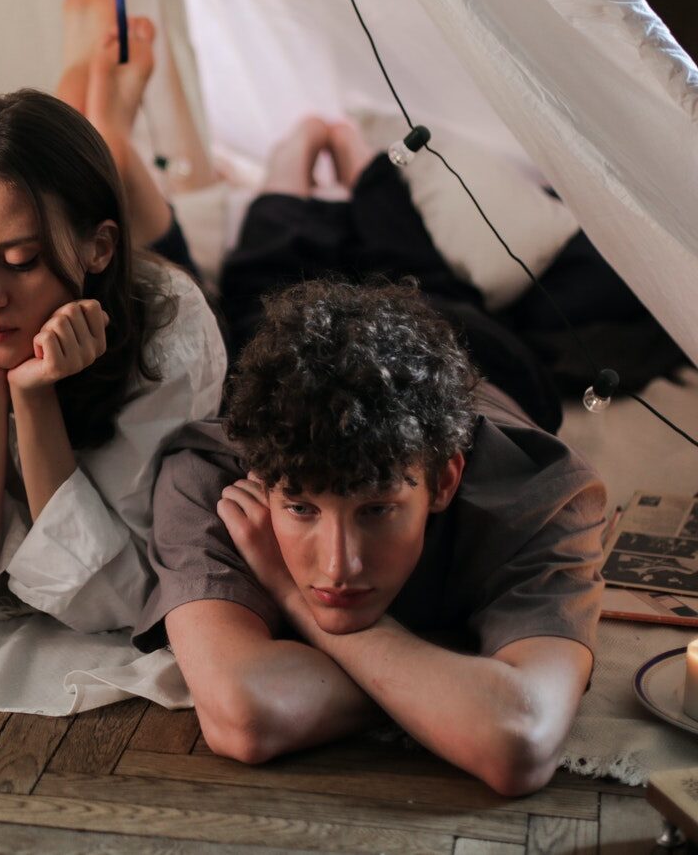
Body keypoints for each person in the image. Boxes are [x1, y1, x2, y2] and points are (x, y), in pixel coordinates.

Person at [136, 127, 607, 797]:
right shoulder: (214, 474)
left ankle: (362, 156)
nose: (337, 566)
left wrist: (294, 598)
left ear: (444, 479)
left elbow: (518, 742)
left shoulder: (542, 493)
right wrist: (452, 680)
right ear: (265, 480)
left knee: (418, 272)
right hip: (301, 360)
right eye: (300, 507)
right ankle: (295, 149)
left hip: (470, 350)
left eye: (377, 509)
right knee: (266, 281)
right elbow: (246, 717)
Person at [0, 84, 226, 632]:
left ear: (98, 247)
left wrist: (33, 397)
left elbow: (122, 596)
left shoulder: (172, 330)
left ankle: (110, 114)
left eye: (21, 260)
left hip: (155, 305)